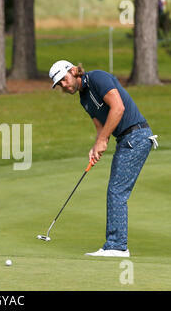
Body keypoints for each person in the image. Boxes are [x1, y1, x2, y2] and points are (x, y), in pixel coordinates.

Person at [48, 60, 158, 257]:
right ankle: (116, 244)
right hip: (126, 139)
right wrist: (96, 146)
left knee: (117, 191)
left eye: (64, 80)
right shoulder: (83, 98)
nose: (64, 86)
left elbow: (118, 108)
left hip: (137, 136)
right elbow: (100, 127)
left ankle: (117, 246)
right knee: (116, 190)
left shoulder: (98, 77)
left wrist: (104, 139)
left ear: (73, 71)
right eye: (59, 85)